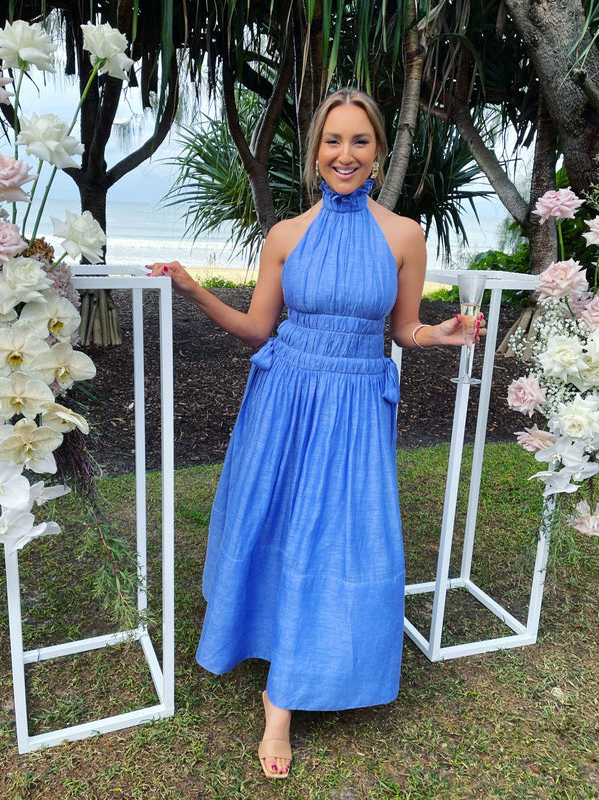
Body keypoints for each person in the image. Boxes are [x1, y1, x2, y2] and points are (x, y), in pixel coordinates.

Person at [147, 88, 484, 780]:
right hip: (284, 399)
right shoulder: (285, 235)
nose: (345, 154)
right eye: (333, 141)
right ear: (315, 151)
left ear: (379, 152)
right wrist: (194, 290)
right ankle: (278, 696)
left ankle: (294, 682)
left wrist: (441, 335)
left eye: (360, 141)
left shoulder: (405, 235)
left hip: (356, 405)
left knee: (334, 535)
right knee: (277, 525)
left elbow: (404, 329)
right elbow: (256, 328)